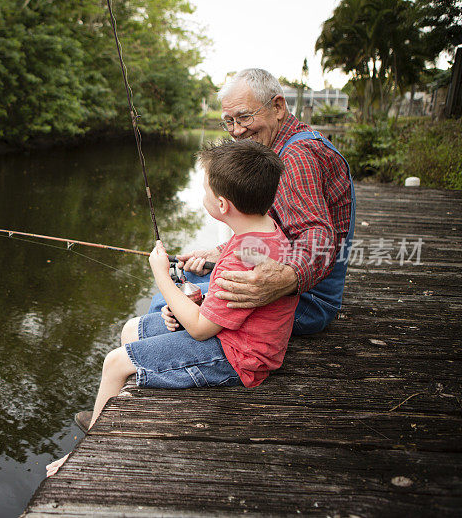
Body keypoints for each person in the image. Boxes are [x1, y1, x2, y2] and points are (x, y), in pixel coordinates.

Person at [46, 139, 298, 477]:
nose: (203, 196)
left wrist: (161, 275)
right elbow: (226, 305)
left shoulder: (236, 259)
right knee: (130, 331)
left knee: (115, 362)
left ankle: (88, 455)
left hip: (239, 359)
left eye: (205, 190)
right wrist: (194, 300)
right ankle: (115, 414)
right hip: (236, 337)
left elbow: (199, 328)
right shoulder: (265, 234)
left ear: (222, 205)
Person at [149, 68, 356, 336]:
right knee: (183, 285)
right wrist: (220, 251)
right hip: (294, 285)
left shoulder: (296, 157)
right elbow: (277, 227)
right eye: (229, 121)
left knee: (167, 308)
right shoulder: (274, 149)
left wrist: (285, 279)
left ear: (278, 107)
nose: (236, 130)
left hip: (310, 302)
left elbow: (317, 236)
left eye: (244, 117)